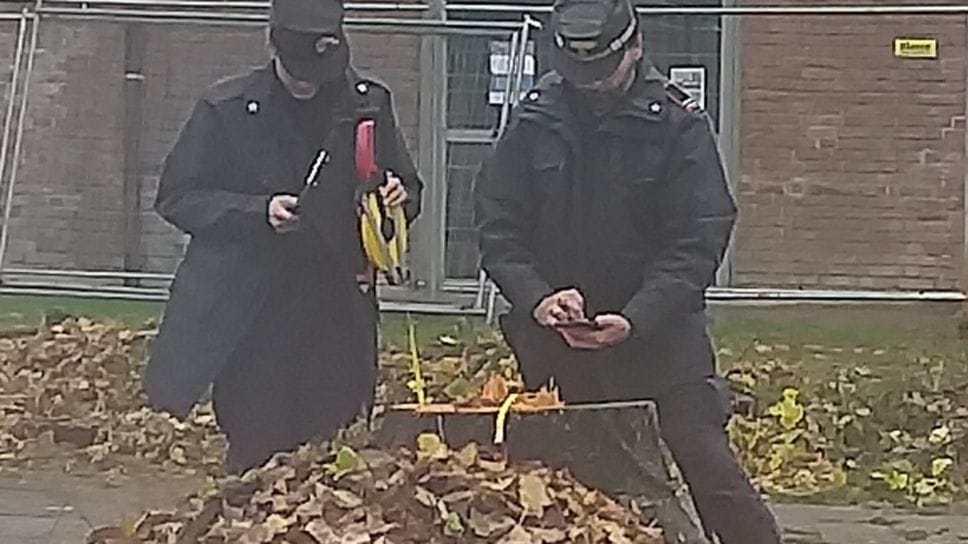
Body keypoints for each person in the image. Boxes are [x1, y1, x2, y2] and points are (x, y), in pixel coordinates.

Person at [474, 0, 781, 542]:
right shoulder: (533, 121)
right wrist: (539, 298)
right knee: (571, 493)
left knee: (712, 473)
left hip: (661, 343)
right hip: (558, 346)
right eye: (578, 71)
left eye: (602, 69)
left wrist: (637, 317)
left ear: (635, 48)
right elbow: (499, 228)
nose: (590, 83)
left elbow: (698, 238)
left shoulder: (678, 125)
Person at [143, 0, 422, 472]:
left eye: (319, 73)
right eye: (299, 74)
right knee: (257, 439)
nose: (309, 85)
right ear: (273, 49)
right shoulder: (226, 108)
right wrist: (259, 212)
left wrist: (397, 194)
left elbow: (406, 188)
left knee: (332, 439)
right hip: (253, 308)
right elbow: (179, 197)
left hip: (336, 304)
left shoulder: (367, 104)